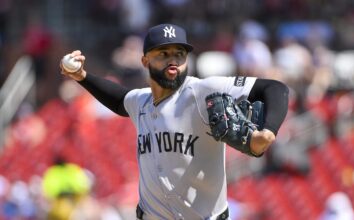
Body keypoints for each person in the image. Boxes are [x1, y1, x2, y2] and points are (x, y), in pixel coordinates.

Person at [60, 23, 289, 220]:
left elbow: (275, 88)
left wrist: (267, 133)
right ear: (145, 60)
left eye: (179, 53)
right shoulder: (141, 101)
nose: (173, 60)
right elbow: (119, 100)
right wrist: (82, 77)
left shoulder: (202, 91)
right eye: (163, 53)